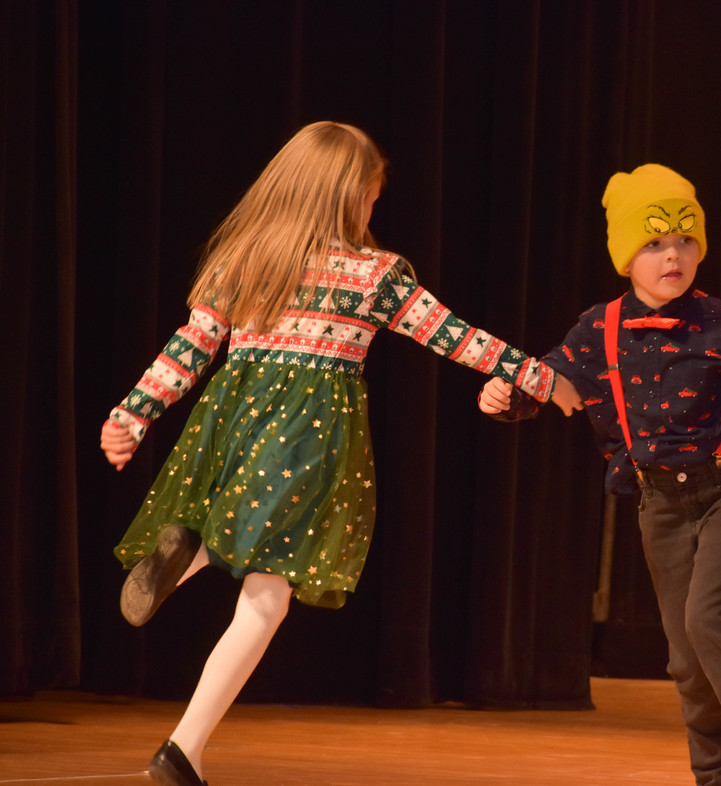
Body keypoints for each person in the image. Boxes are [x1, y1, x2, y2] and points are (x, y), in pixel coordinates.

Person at [100, 121, 577, 786]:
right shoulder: (374, 274)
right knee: (267, 596)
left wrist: (131, 414)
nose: (373, 209)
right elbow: (454, 336)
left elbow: (191, 345)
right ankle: (183, 750)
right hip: (307, 434)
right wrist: (538, 376)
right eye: (373, 197)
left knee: (233, 529)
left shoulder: (243, 259)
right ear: (351, 196)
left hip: (230, 420)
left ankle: (191, 553)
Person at [478, 163, 721, 786]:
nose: (674, 255)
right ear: (625, 256)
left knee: (710, 621)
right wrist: (508, 396)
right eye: (656, 242)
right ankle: (718, 776)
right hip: (659, 502)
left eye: (686, 240)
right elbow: (550, 379)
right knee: (687, 658)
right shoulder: (599, 328)